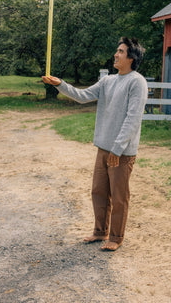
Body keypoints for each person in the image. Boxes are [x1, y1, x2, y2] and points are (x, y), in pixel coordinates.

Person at [42, 37, 148, 251]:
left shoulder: (137, 82)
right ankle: (100, 232)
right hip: (103, 147)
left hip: (122, 152)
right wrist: (60, 84)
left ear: (131, 57)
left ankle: (116, 238)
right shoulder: (108, 81)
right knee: (98, 191)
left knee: (119, 197)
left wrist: (117, 149)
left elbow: (133, 118)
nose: (115, 55)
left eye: (120, 51)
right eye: (117, 51)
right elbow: (82, 96)